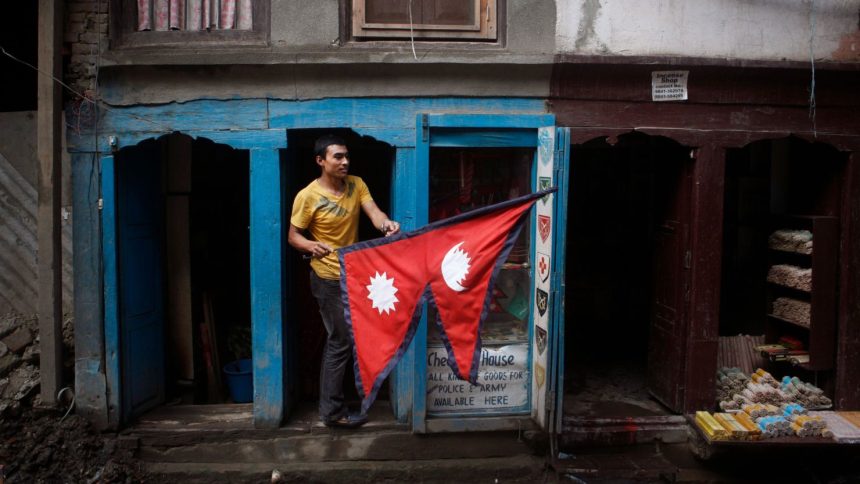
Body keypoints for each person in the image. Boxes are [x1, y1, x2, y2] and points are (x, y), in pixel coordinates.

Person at [288, 134, 400, 428]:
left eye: (347, 156)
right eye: (337, 157)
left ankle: (346, 401)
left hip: (354, 274)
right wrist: (312, 246)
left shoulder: (356, 184)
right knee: (340, 340)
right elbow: (293, 236)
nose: (345, 162)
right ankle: (332, 412)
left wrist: (386, 223)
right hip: (326, 278)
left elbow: (374, 213)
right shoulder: (308, 196)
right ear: (320, 161)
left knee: (357, 337)